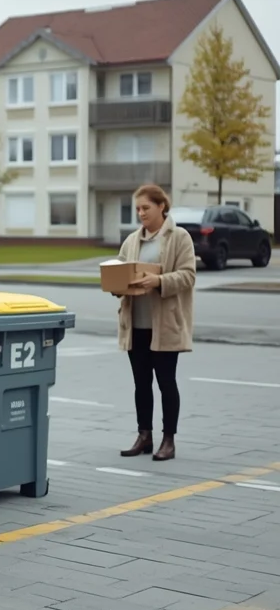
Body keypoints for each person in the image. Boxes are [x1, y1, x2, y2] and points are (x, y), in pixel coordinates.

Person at [115, 184, 196, 462]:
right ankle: (144, 435)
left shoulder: (179, 237)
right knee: (141, 384)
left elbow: (188, 276)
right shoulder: (132, 241)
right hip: (135, 324)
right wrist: (116, 285)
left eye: (145, 208)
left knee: (166, 383)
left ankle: (169, 440)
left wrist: (158, 281)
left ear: (162, 206)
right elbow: (120, 270)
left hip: (164, 326)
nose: (140, 213)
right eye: (137, 209)